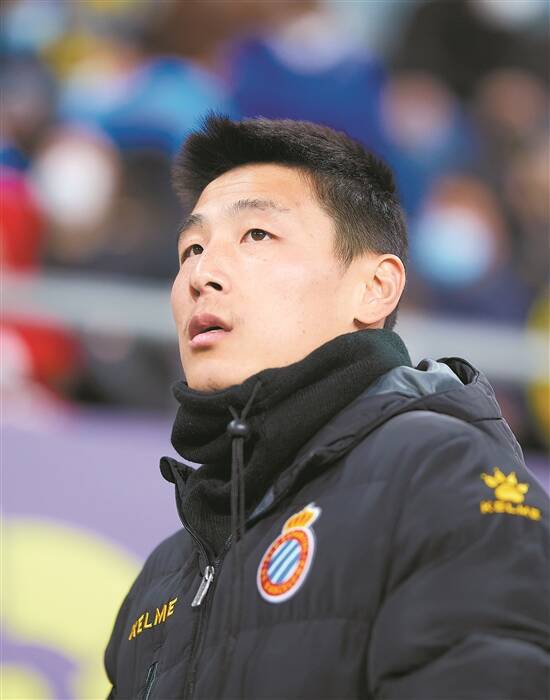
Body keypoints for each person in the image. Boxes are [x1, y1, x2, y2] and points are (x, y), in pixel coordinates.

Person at [104, 115, 549, 700]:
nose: (200, 275)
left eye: (256, 235)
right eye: (191, 248)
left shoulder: (443, 475)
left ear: (375, 288)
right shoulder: (164, 577)